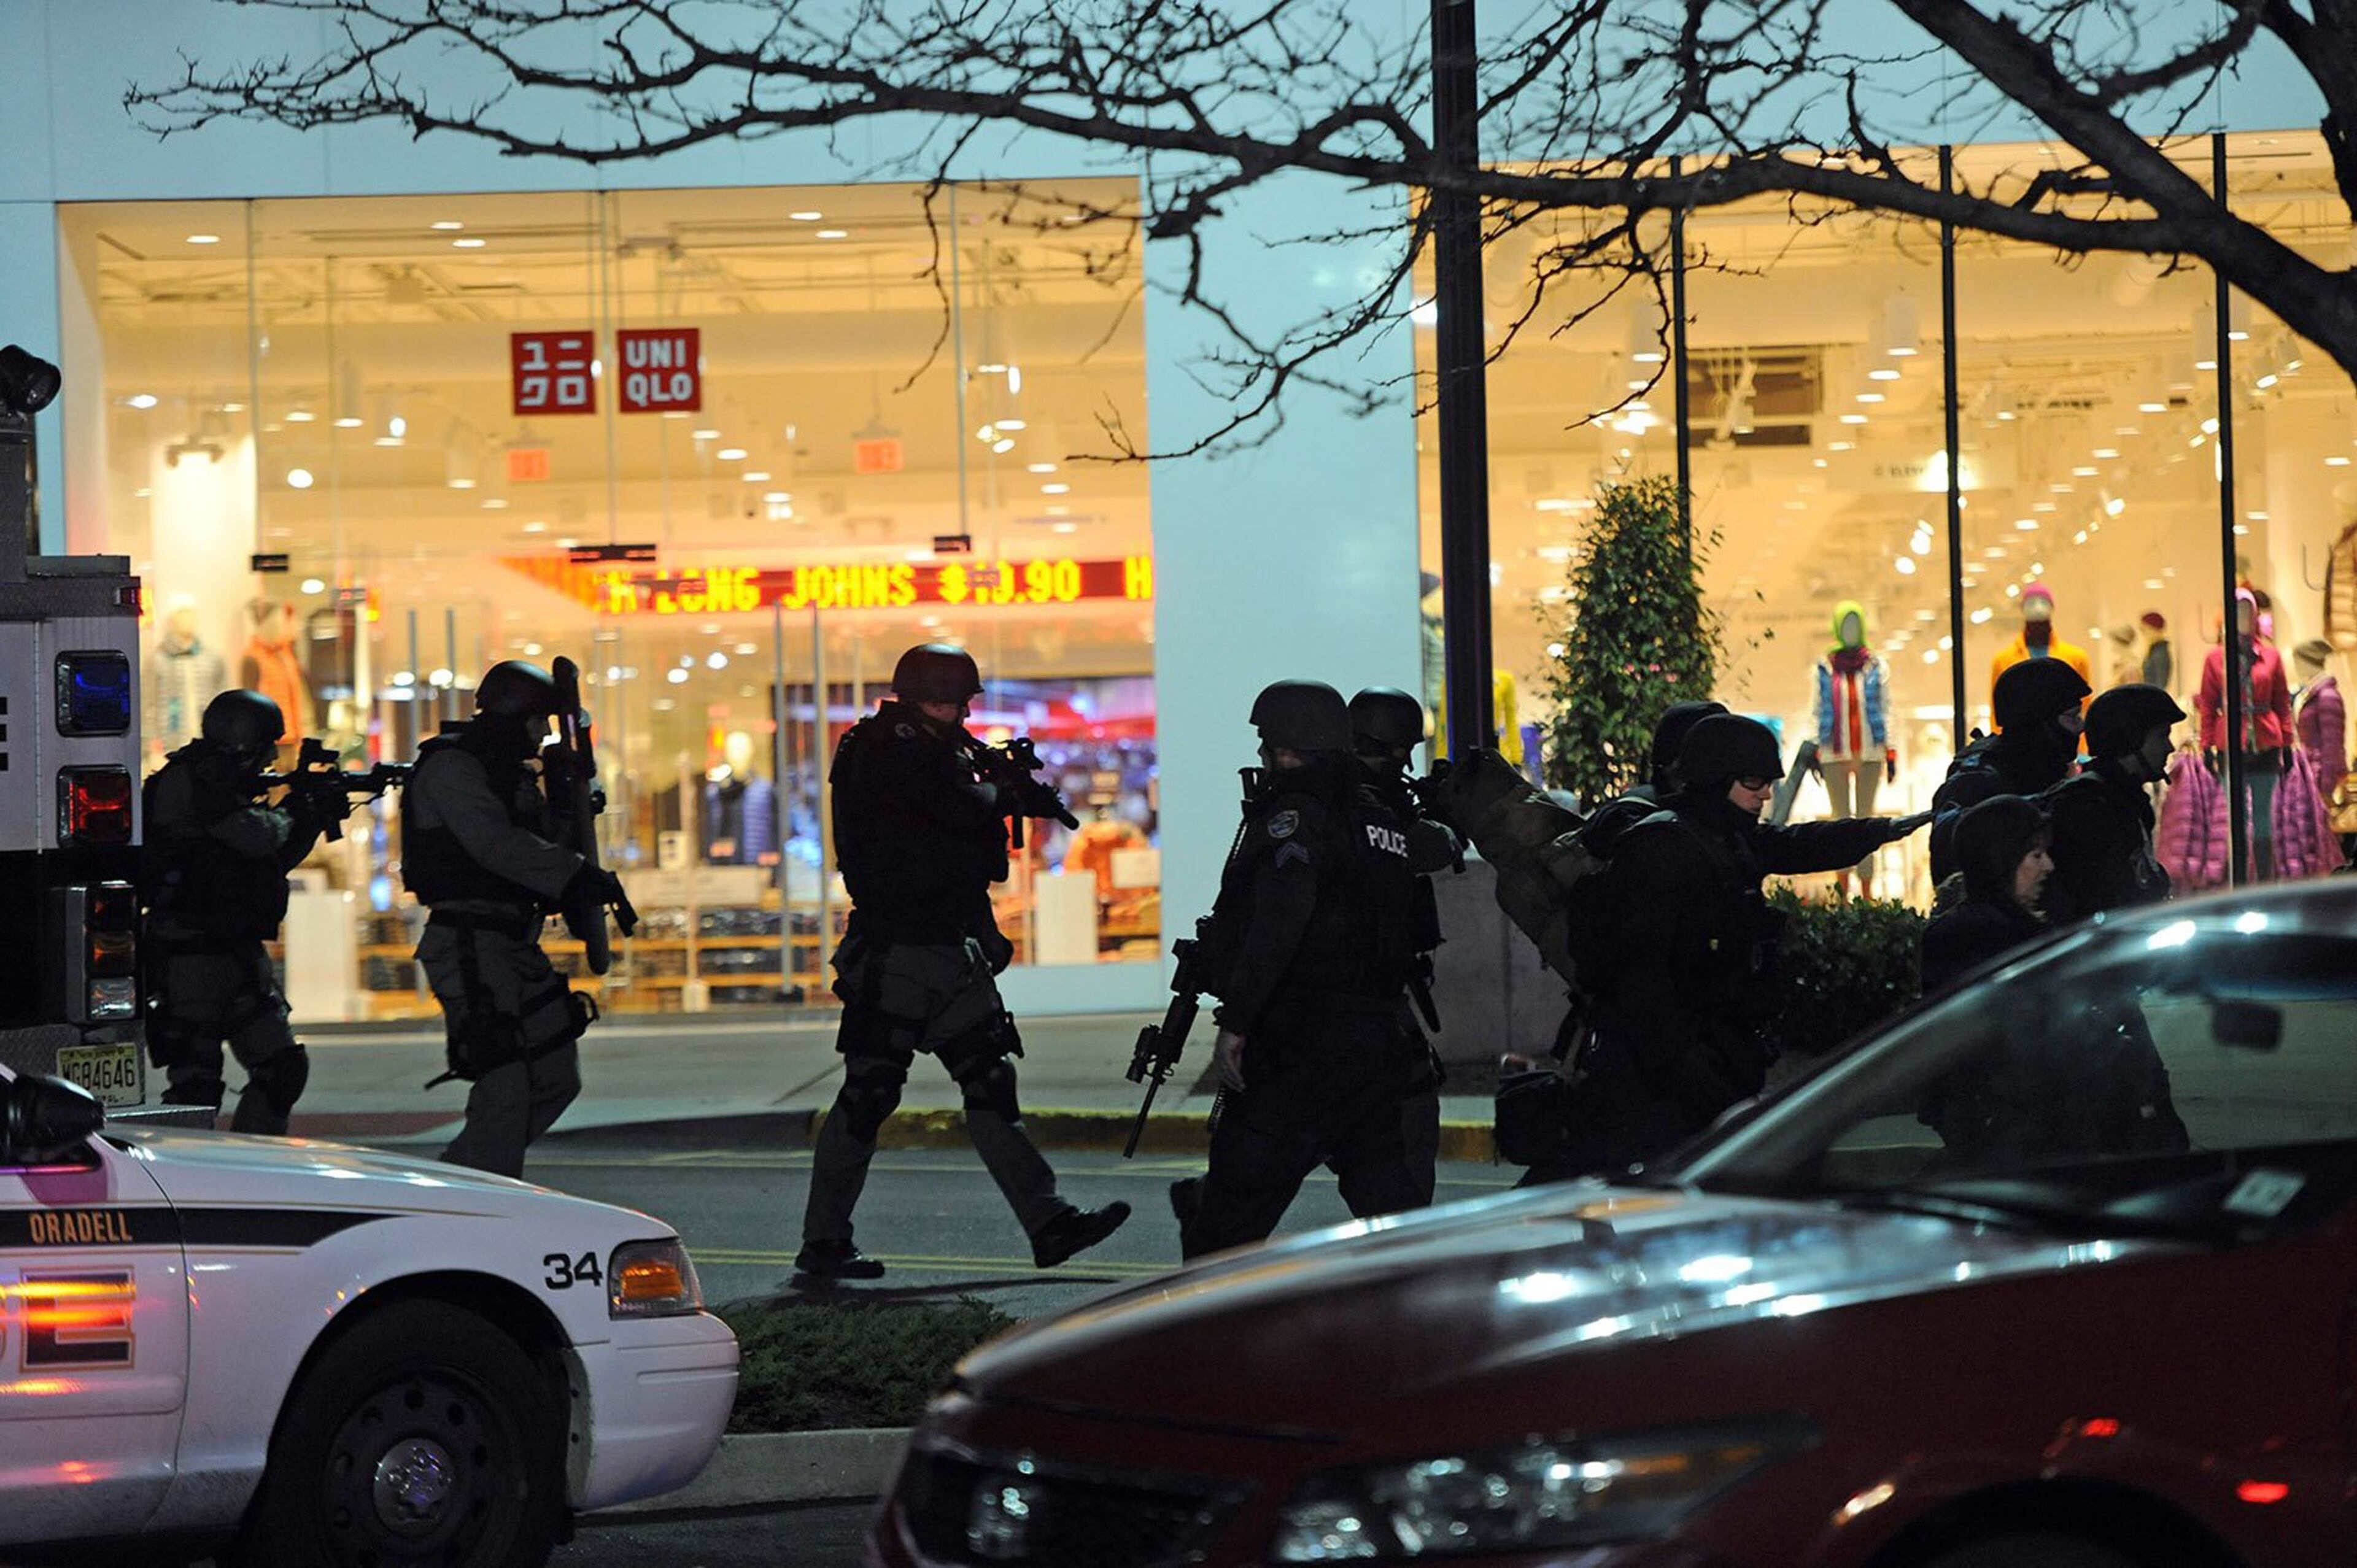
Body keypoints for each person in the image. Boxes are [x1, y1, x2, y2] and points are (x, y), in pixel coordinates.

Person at [796, 643, 1128, 1280]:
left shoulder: (943, 747)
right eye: (941, 700)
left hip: (949, 948)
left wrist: (1001, 789)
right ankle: (823, 1241)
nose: (952, 711)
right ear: (912, 696)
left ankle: (1048, 1220)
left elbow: (956, 822)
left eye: (959, 701)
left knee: (990, 1080)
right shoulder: (885, 745)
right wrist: (997, 795)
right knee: (869, 1092)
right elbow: (938, 807)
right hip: (896, 948)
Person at [1544, 716, 1929, 1175]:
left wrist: (1885, 830)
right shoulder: (1661, 848)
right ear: (1715, 779)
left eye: (1767, 783)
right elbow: (1639, 974)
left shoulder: (1727, 839)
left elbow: (1799, 845)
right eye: (1754, 782)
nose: (1766, 794)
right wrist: (1682, 1065)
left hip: (1714, 1064)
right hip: (1660, 1088)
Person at [1175, 679, 1426, 1260]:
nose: (1263, 757)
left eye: (1267, 745)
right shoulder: (1379, 817)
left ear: (1288, 749)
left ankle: (1200, 1335)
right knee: (1391, 1205)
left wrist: (1236, 1022)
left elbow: (1280, 924)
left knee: (1232, 1216)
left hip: (1299, 1043)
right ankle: (1438, 1312)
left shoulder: (1295, 816)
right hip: (1373, 1041)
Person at [405, 660, 606, 1177]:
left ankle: (474, 1172)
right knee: (505, 1084)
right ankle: (470, 1192)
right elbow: (496, 846)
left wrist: (570, 807)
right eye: (538, 721)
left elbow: (538, 844)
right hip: (471, 942)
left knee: (557, 1077)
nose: (542, 735)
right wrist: (575, 872)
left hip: (513, 942)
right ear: (514, 715)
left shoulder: (505, 772)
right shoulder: (453, 767)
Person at [142, 689, 341, 1134]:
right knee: (195, 1090)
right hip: (191, 955)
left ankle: (255, 1166)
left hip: (234, 950)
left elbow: (264, 859)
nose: (273, 756)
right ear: (242, 739)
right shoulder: (191, 780)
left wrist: (308, 816)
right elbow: (254, 836)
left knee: (283, 1068)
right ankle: (194, 1187)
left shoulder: (222, 782)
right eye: (267, 744)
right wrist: (294, 810)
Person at [1348, 685, 1459, 1205]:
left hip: (1362, 996)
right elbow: (1425, 849)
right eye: (1401, 751)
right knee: (1409, 1121)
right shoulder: (1364, 804)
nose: (1407, 762)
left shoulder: (1359, 797)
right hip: (1362, 1001)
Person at [1929, 657, 2092, 883]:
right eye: (2072, 717)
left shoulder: (2044, 770)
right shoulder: (1977, 783)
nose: (2081, 726)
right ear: (2039, 724)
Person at [2042, 683, 2183, 925]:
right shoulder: (2090, 807)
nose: (2169, 747)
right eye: (2162, 736)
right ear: (2131, 739)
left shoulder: (2123, 799)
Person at [1919, 794, 2052, 992]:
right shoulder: (1984, 940)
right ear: (2002, 861)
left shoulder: (1946, 933)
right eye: (2037, 856)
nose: (2048, 866)